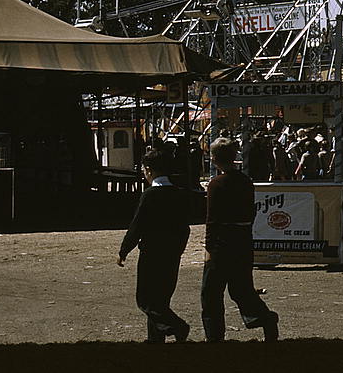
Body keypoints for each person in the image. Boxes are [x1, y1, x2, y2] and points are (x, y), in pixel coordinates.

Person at [200, 137, 279, 342]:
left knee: (211, 293)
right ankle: (264, 318)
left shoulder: (216, 184)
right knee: (241, 290)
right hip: (242, 241)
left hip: (221, 243)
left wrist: (208, 248)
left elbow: (213, 221)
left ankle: (214, 336)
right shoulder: (246, 182)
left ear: (214, 158)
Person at [116, 148, 192, 343]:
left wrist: (124, 250)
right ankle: (155, 338)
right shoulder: (179, 194)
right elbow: (185, 228)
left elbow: (137, 226)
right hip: (172, 253)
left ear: (148, 170)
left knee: (146, 299)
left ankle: (177, 326)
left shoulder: (149, 195)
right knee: (162, 297)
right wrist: (178, 249)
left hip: (151, 253)